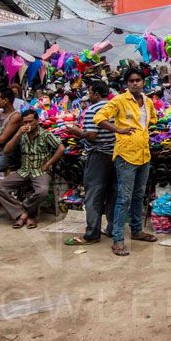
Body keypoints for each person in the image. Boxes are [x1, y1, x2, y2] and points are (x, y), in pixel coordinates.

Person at [93, 66, 158, 257]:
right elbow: (99, 118)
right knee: (124, 198)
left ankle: (137, 230)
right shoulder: (120, 101)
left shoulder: (147, 101)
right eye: (131, 81)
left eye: (138, 80)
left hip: (144, 154)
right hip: (126, 156)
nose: (135, 83)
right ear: (126, 84)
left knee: (138, 195)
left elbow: (151, 120)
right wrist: (118, 130)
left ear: (143, 82)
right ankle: (118, 239)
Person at [0, 109, 65, 230]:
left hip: (40, 171)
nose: (28, 125)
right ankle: (24, 214)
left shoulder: (45, 134)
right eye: (25, 122)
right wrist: (17, 134)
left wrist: (48, 164)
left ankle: (23, 214)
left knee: (42, 191)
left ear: (37, 121)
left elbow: (61, 148)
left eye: (30, 121)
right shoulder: (21, 135)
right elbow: (6, 150)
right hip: (24, 170)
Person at [65, 80, 116, 245]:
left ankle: (92, 234)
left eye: (90, 92)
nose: (88, 96)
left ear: (96, 94)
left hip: (99, 155)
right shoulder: (116, 107)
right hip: (117, 155)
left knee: (93, 195)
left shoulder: (92, 110)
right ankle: (113, 229)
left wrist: (76, 131)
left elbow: (92, 135)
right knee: (112, 194)